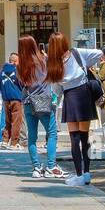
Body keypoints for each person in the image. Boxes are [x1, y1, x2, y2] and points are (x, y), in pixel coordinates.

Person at [47, 32, 104, 186]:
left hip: (70, 98)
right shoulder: (77, 53)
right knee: (85, 138)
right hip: (84, 95)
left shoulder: (54, 63)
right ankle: (86, 173)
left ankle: (79, 173)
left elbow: (56, 89)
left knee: (74, 139)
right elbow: (99, 53)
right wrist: (86, 65)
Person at [16, 34, 63, 178]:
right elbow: (54, 74)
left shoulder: (20, 66)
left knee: (32, 137)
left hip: (28, 102)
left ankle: (36, 167)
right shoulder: (44, 60)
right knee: (52, 133)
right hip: (43, 100)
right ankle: (50, 166)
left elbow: (21, 83)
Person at [0, 51, 25, 148]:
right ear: (15, 62)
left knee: (8, 121)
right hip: (16, 99)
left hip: (5, 99)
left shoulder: (2, 71)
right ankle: (14, 143)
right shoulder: (18, 70)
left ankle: (5, 141)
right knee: (16, 122)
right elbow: (22, 84)